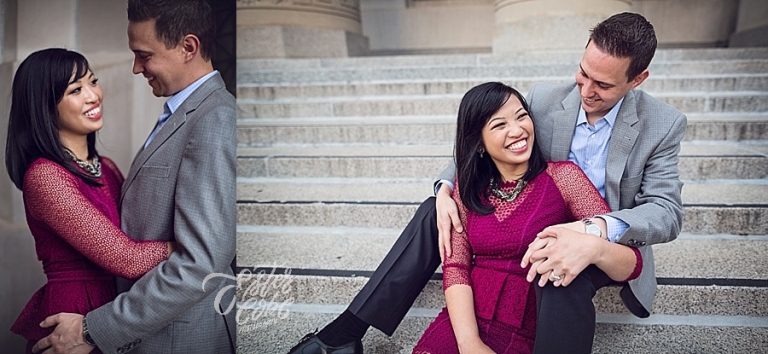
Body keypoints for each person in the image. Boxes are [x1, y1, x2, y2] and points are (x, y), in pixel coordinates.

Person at [288, 12, 685, 354]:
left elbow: (666, 211)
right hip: (537, 209)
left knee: (559, 269)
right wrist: (446, 189)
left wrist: (595, 231)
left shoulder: (663, 124)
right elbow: (486, 138)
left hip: (607, 235)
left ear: (637, 79)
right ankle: (345, 334)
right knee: (435, 213)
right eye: (583, 72)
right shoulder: (546, 99)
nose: (586, 90)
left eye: (603, 84)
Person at [30, 0, 237, 353]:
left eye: (144, 55)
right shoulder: (182, 113)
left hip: (181, 338)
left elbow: (200, 264)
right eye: (75, 89)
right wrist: (179, 250)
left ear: (188, 47)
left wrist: (91, 331)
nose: (136, 68)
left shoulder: (215, 119)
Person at [410, 82, 641, 354]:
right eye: (499, 125)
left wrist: (595, 248)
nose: (517, 130)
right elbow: (456, 266)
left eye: (521, 116)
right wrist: (470, 343)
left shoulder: (564, 178)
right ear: (479, 143)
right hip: (463, 325)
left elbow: (632, 263)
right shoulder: (467, 188)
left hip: (528, 329)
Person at [4, 48, 174, 354]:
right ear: (45, 106)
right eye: (75, 90)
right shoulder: (45, 176)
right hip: (73, 317)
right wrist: (192, 247)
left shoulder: (106, 167)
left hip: (116, 313)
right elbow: (126, 258)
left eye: (93, 82)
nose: (93, 96)